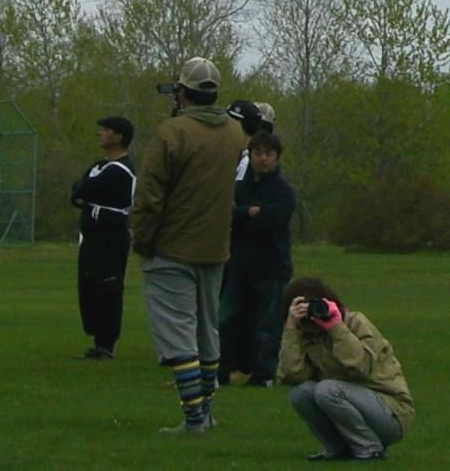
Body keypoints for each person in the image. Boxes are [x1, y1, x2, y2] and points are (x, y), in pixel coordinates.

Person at [129, 56, 250, 435]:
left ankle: (194, 417)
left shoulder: (172, 132)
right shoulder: (234, 132)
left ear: (182, 93)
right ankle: (207, 412)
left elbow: (149, 195)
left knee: (179, 334)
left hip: (172, 247)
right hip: (215, 247)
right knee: (207, 330)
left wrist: (142, 238)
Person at [276, 276, 414, 462]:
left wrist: (336, 327)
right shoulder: (305, 334)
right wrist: (291, 329)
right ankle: (337, 449)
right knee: (300, 393)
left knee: (327, 390)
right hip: (349, 402)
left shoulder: (355, 322)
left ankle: (370, 449)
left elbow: (360, 367)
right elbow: (291, 375)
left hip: (391, 411)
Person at [219, 130, 296, 387]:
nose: (263, 159)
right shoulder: (239, 188)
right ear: (250, 156)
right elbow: (227, 215)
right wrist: (246, 213)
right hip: (239, 266)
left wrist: (245, 215)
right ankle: (221, 370)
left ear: (277, 158)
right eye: (258, 153)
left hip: (272, 267)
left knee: (267, 324)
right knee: (227, 319)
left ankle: (263, 375)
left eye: (269, 154)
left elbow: (272, 221)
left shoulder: (284, 191)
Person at [70, 115, 137, 360]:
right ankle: (96, 337)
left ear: (118, 137)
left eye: (106, 130)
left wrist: (85, 193)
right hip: (90, 237)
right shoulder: (99, 166)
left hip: (110, 237)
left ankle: (106, 343)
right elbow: (76, 191)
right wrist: (83, 192)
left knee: (107, 287)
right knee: (88, 286)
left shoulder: (121, 169)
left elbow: (86, 189)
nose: (100, 133)